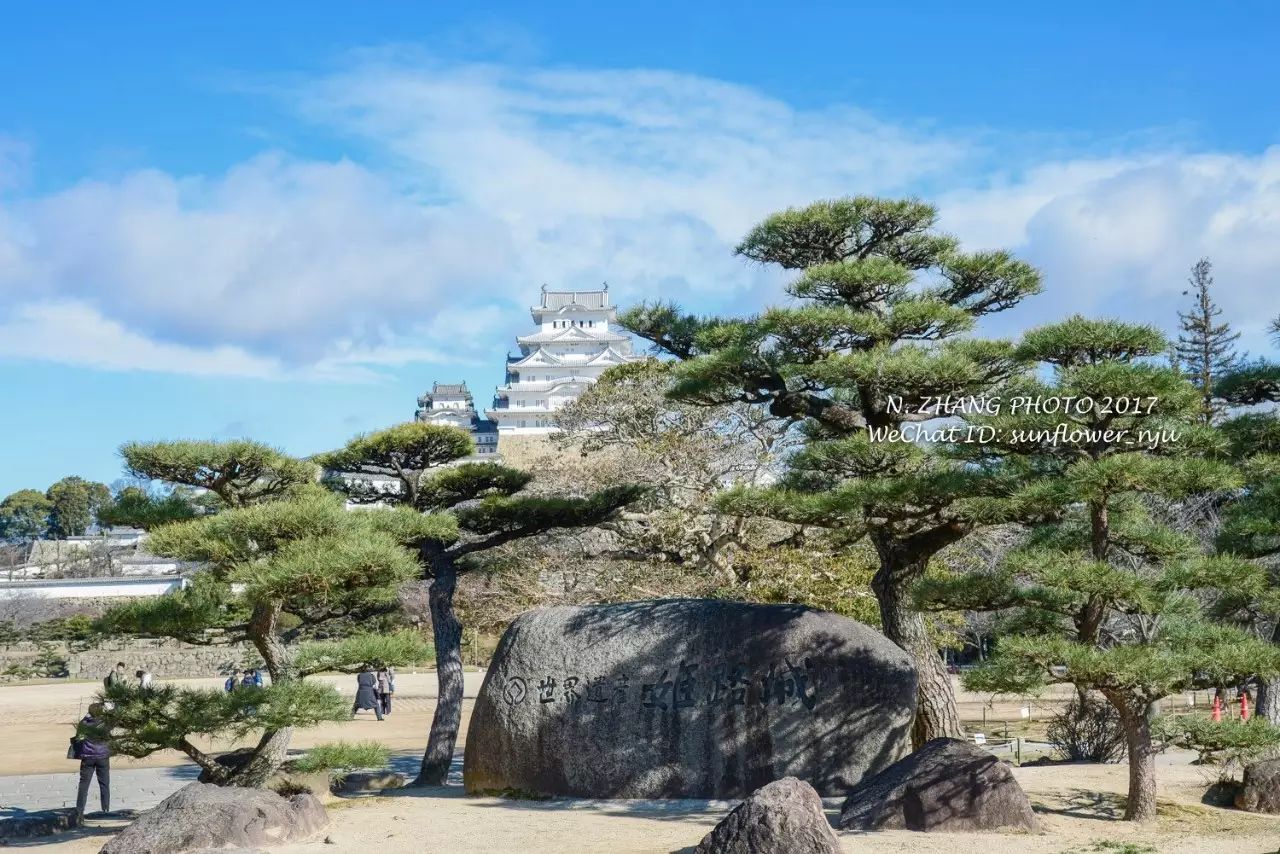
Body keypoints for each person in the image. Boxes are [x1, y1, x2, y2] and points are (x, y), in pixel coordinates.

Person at [73, 702, 110, 817]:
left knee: (84, 784)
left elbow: (78, 738)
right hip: (103, 756)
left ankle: (80, 810)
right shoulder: (105, 723)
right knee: (104, 783)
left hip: (88, 757)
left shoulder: (83, 723)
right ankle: (105, 809)